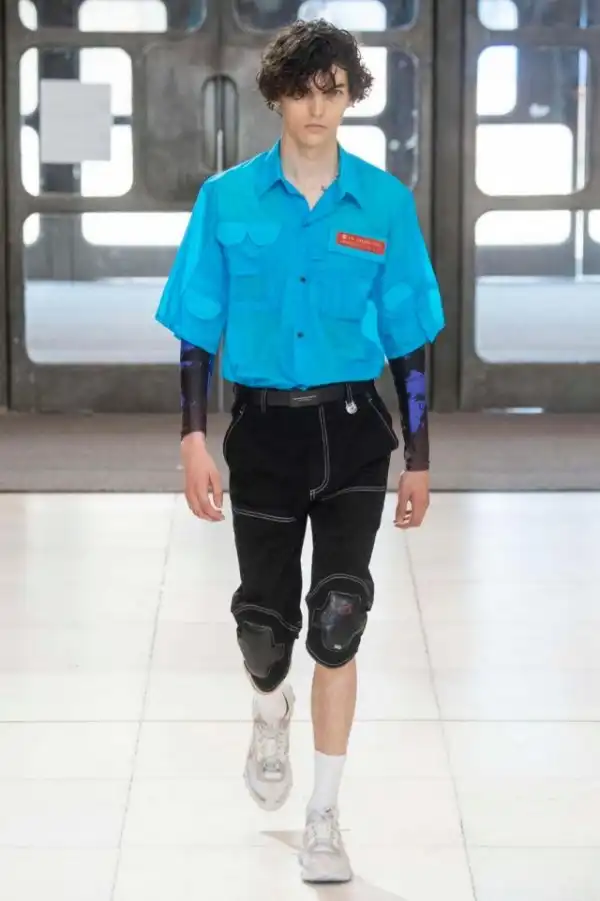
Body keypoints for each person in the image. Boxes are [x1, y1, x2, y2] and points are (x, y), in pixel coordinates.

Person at [155, 18, 444, 884]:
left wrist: (419, 456)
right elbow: (196, 328)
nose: (318, 107)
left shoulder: (384, 204)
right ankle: (267, 704)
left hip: (354, 431)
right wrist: (192, 437)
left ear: (351, 97)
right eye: (302, 90)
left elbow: (411, 339)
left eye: (334, 90)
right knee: (264, 631)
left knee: (340, 617)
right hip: (264, 433)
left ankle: (324, 815)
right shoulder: (227, 201)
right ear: (276, 96)